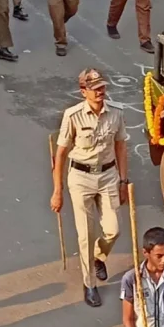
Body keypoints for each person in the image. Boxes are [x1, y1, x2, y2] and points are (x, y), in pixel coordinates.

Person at [50, 68, 129, 307]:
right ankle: (90, 283)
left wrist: (124, 181)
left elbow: (121, 148)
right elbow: (61, 154)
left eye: (102, 87)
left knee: (113, 230)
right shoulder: (72, 116)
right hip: (80, 178)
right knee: (85, 234)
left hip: (107, 176)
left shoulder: (115, 114)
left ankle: (99, 256)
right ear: (83, 91)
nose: (100, 92)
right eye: (94, 89)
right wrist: (57, 191)